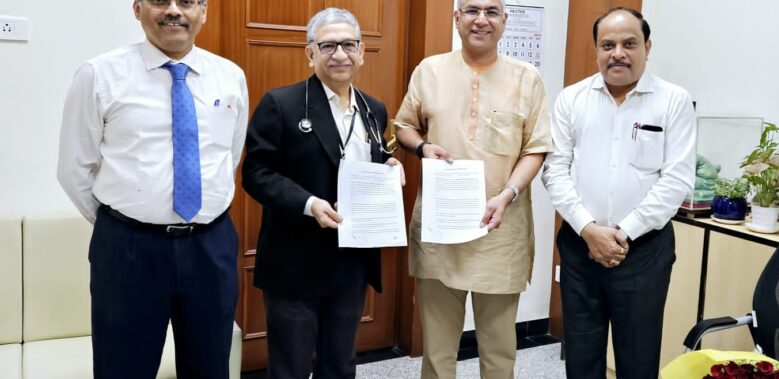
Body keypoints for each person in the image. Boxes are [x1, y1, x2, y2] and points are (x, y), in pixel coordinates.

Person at [57, 0, 247, 377]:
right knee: (124, 367)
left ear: (203, 11)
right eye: (161, 0)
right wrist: (123, 224)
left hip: (211, 246)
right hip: (129, 250)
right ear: (138, 9)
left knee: (210, 365)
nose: (174, 10)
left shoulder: (229, 75)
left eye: (187, 2)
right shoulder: (99, 74)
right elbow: (74, 168)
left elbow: (230, 155)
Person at [241, 8, 403, 379]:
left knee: (340, 364)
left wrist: (390, 166)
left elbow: (371, 160)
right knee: (291, 367)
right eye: (328, 45)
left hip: (351, 260)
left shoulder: (373, 109)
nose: (340, 54)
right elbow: (256, 173)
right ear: (310, 53)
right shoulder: (280, 104)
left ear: (361, 52)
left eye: (348, 45)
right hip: (295, 260)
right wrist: (308, 203)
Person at [394, 0, 552, 377]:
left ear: (504, 21)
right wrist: (422, 147)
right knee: (437, 351)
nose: (481, 19)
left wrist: (507, 194)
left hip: (500, 232)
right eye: (472, 10)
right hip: (440, 232)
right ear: (457, 18)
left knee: (499, 351)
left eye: (492, 11)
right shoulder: (429, 70)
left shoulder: (526, 77)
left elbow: (536, 148)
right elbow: (403, 126)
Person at [541, 7, 696, 379]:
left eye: (629, 43)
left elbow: (676, 180)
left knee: (638, 358)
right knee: (581, 356)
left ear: (647, 46)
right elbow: (554, 171)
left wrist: (621, 233)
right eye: (607, 45)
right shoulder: (571, 99)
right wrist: (589, 229)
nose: (618, 53)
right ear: (596, 50)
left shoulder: (673, 101)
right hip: (581, 246)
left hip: (644, 250)